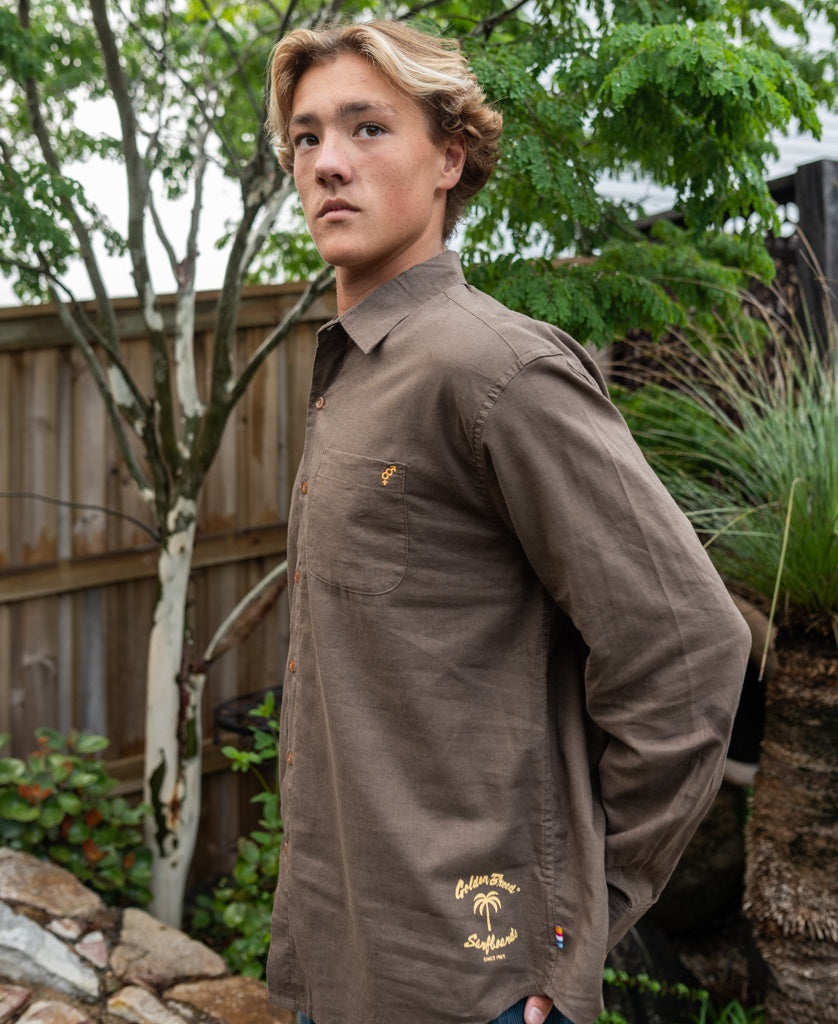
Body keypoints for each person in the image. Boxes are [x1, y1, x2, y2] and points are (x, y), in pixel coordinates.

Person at [264, 20, 750, 1024]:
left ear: (449, 155)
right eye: (307, 137)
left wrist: (575, 921)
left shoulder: (493, 369)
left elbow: (690, 646)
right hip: (342, 957)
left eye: (366, 127)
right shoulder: (355, 368)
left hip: (471, 986)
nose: (328, 163)